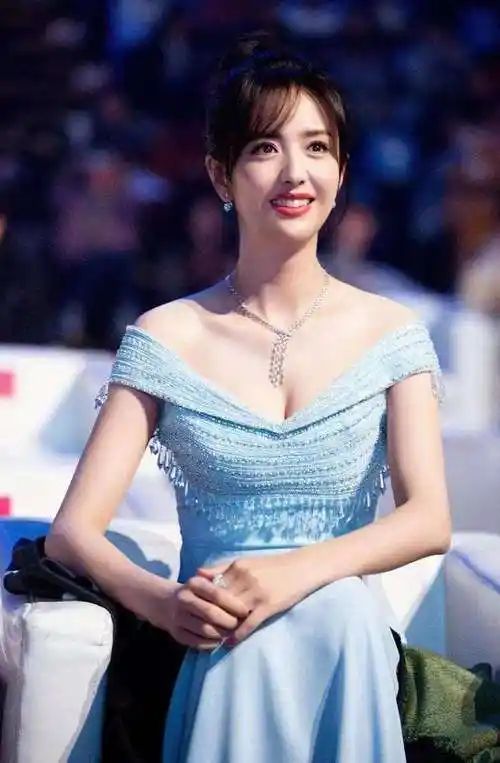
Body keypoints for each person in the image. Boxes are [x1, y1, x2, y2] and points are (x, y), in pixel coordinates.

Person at [45, 32, 451, 763]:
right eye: (265, 147)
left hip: (346, 636)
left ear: (341, 173)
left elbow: (429, 519)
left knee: (340, 610)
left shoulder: (393, 333)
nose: (295, 171)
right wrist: (163, 604)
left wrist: (293, 573)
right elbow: (73, 531)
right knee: (244, 634)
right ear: (220, 175)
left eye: (317, 147)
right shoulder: (166, 335)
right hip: (220, 634)